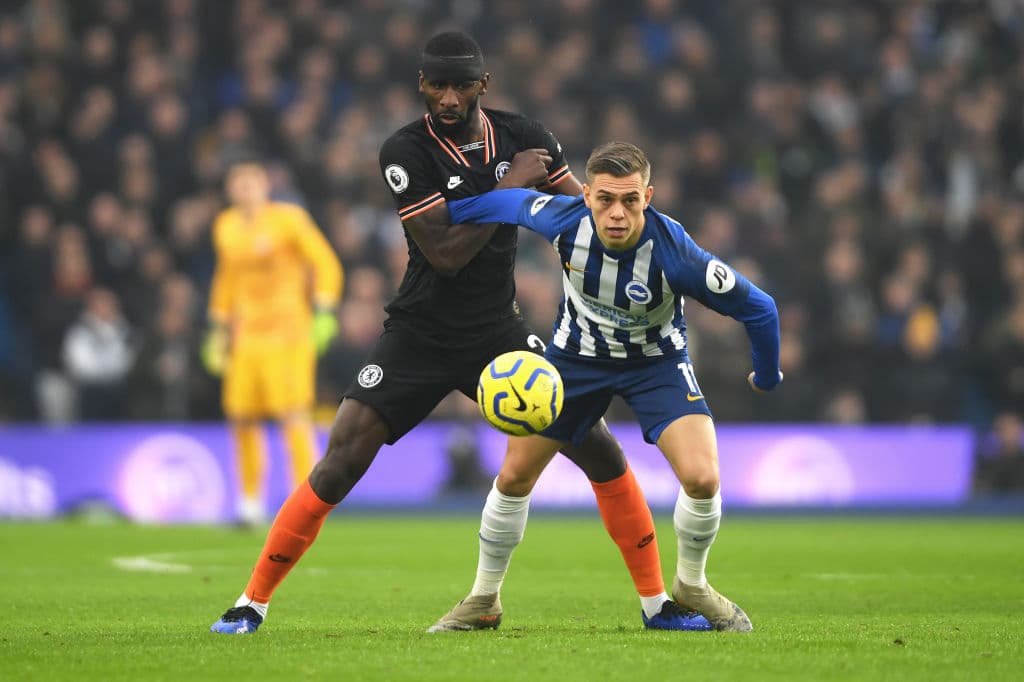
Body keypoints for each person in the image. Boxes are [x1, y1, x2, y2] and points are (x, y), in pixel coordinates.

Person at [211, 32, 707, 635]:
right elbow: (444, 252)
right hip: (418, 332)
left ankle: (658, 605)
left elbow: (587, 219)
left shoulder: (526, 137)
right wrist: (508, 190)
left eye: (460, 85)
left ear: (482, 85)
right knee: (342, 456)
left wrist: (653, 254)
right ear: (421, 84)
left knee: (596, 444)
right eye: (436, 84)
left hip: (496, 332)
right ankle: (251, 602)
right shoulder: (406, 150)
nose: (447, 97)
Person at [436, 141, 783, 631]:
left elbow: (760, 308)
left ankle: (691, 584)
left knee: (703, 478)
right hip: (575, 360)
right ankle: (483, 598)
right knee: (513, 476)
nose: (616, 213)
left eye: (630, 200)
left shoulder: (675, 253)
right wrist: (441, 213)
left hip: (656, 363)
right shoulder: (562, 220)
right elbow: (508, 203)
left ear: (649, 197)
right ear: (587, 197)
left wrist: (767, 375)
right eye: (604, 200)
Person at [202, 161, 343, 526]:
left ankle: (307, 504)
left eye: (251, 181)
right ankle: (250, 502)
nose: (245, 189)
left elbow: (325, 262)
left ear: (265, 185)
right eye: (238, 183)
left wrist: (324, 310)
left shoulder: (289, 220)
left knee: (293, 416)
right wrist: (218, 328)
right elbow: (226, 279)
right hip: (246, 335)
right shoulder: (226, 226)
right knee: (241, 418)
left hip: (288, 332)